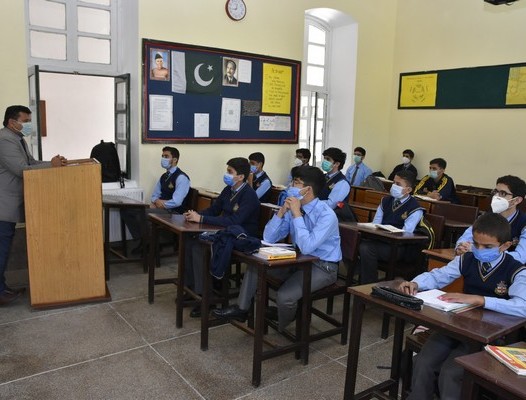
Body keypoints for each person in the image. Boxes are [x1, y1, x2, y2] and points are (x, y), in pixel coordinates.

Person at [399, 212, 526, 400]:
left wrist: (481, 300)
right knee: (423, 362)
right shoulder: (467, 259)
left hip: (490, 335)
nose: (479, 250)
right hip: (458, 325)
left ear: (505, 246)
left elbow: (522, 307)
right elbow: (439, 275)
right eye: (476, 244)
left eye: (487, 247)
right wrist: (416, 283)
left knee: (451, 373)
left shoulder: (516, 270)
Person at [212, 166, 341, 331]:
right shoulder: (295, 207)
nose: (291, 186)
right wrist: (281, 213)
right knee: (255, 266)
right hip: (298, 260)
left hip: (322, 266)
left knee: (285, 297)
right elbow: (269, 237)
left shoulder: (326, 215)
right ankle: (242, 309)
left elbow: (307, 247)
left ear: (308, 190)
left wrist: (297, 215)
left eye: (296, 183)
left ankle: (286, 321)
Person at [0, 105, 67, 306]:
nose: (29, 125)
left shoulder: (17, 138)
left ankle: (2, 288)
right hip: (4, 204)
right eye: (26, 121)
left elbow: (31, 162)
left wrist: (53, 163)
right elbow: (22, 169)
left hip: (10, 204)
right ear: (12, 122)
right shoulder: (5, 140)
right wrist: (51, 166)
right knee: (1, 248)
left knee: (4, 247)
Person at [183, 157, 260, 317]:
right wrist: (195, 214)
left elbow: (234, 221)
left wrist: (201, 219)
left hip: (241, 237)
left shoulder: (249, 195)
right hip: (226, 231)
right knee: (189, 241)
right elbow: (214, 210)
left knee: (199, 247)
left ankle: (206, 297)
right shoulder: (228, 190)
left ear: (241, 177)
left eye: (230, 172)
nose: (227, 174)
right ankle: (192, 289)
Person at [358, 170, 424, 284]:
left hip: (398, 247)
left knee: (366, 248)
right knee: (353, 240)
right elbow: (376, 223)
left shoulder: (415, 209)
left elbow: (406, 234)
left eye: (398, 184)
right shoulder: (385, 201)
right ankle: (359, 275)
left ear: (408, 189)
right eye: (393, 182)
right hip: (380, 240)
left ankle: (368, 285)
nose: (394, 186)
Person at [121, 146, 191, 247]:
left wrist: (162, 204)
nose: (163, 159)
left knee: (142, 214)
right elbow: (154, 195)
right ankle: (142, 240)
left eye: (166, 156)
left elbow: (177, 201)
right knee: (127, 211)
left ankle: (150, 245)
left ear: (175, 160)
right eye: (162, 156)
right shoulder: (164, 176)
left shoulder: (181, 178)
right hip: (162, 208)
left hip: (174, 212)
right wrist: (156, 202)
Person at [455, 175, 526, 263]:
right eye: (495, 192)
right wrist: (461, 247)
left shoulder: (523, 223)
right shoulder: (487, 216)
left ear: (517, 200)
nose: (496, 196)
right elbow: (466, 237)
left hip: (509, 269)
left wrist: (478, 251)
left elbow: (520, 257)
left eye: (503, 193)